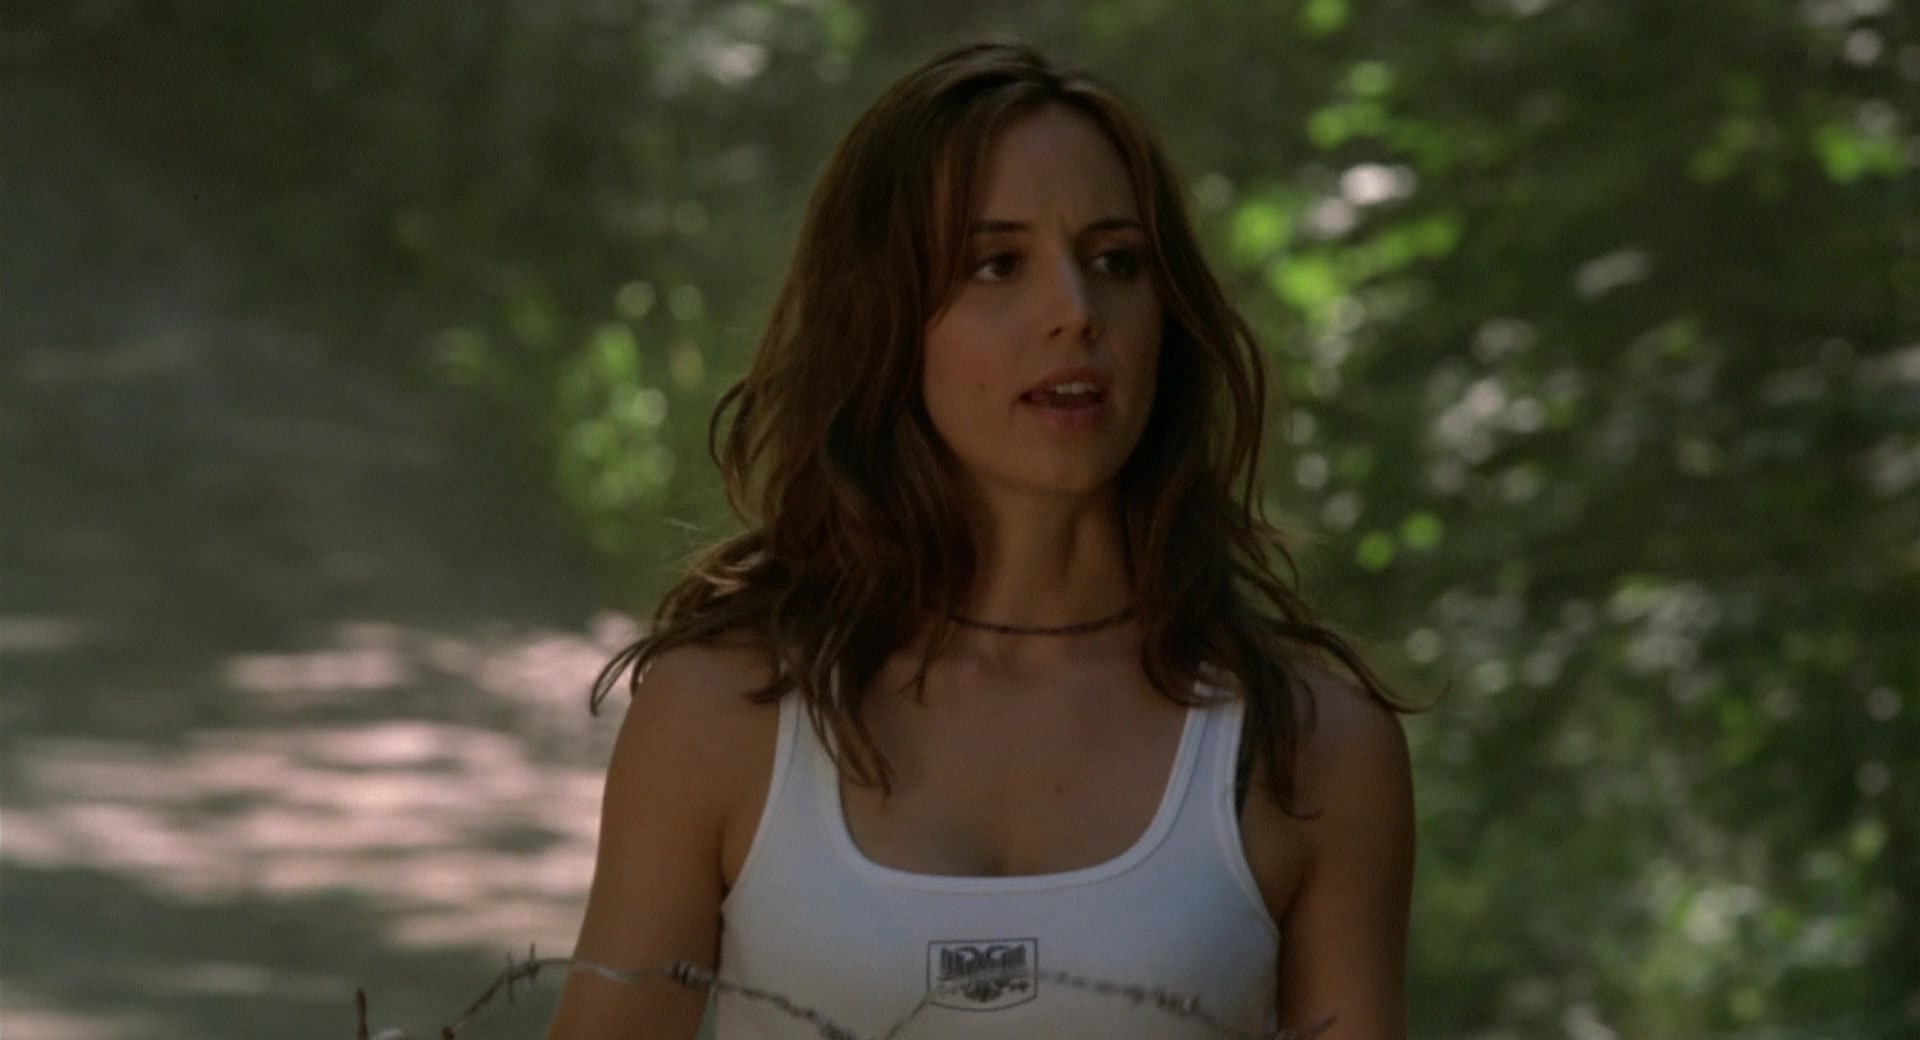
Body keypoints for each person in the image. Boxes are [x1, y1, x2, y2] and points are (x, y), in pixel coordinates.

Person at [545, 37, 1417, 1040]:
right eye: (997, 264)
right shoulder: (722, 715)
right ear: (884, 317)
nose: (1075, 314)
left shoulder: (1310, 748)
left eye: (1116, 262)